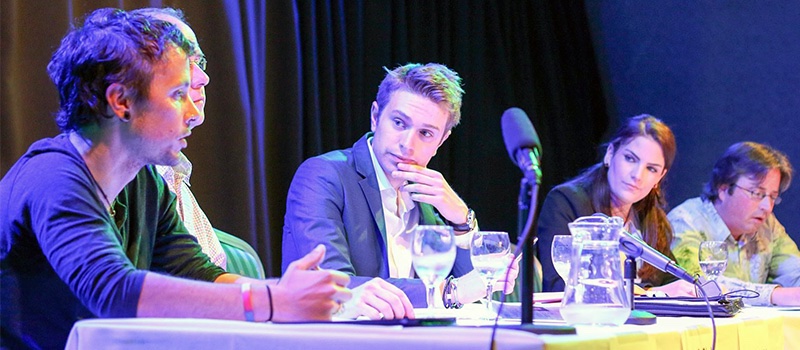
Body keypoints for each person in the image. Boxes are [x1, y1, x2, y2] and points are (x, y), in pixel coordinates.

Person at [0, 8, 350, 349]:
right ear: (120, 101)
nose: (195, 115)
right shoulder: (53, 177)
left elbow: (196, 271)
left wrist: (293, 295)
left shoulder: (145, 181)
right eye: (178, 95)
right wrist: (271, 300)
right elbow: (113, 291)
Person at [282, 63, 519, 319]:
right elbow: (333, 287)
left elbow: (473, 291)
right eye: (398, 123)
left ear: (441, 141)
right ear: (375, 116)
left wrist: (461, 219)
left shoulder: (425, 199)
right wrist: (451, 291)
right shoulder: (323, 175)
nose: (407, 144)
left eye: (426, 133)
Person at [537, 115, 695, 296]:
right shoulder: (566, 202)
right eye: (630, 159)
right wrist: (651, 293)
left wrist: (695, 290)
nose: (637, 175)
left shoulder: (649, 217)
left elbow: (672, 281)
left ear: (659, 178)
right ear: (610, 154)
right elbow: (561, 287)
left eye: (651, 169)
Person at [129, 7, 226, 269]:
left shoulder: (170, 171)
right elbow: (114, 288)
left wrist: (275, 297)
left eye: (200, 62)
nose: (203, 77)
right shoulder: (91, 174)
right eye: (186, 63)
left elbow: (203, 274)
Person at [669, 142, 800, 306]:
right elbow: (702, 286)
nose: (767, 207)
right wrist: (774, 295)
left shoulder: (768, 225)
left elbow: (795, 273)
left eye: (772, 197)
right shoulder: (685, 222)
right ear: (723, 189)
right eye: (757, 193)